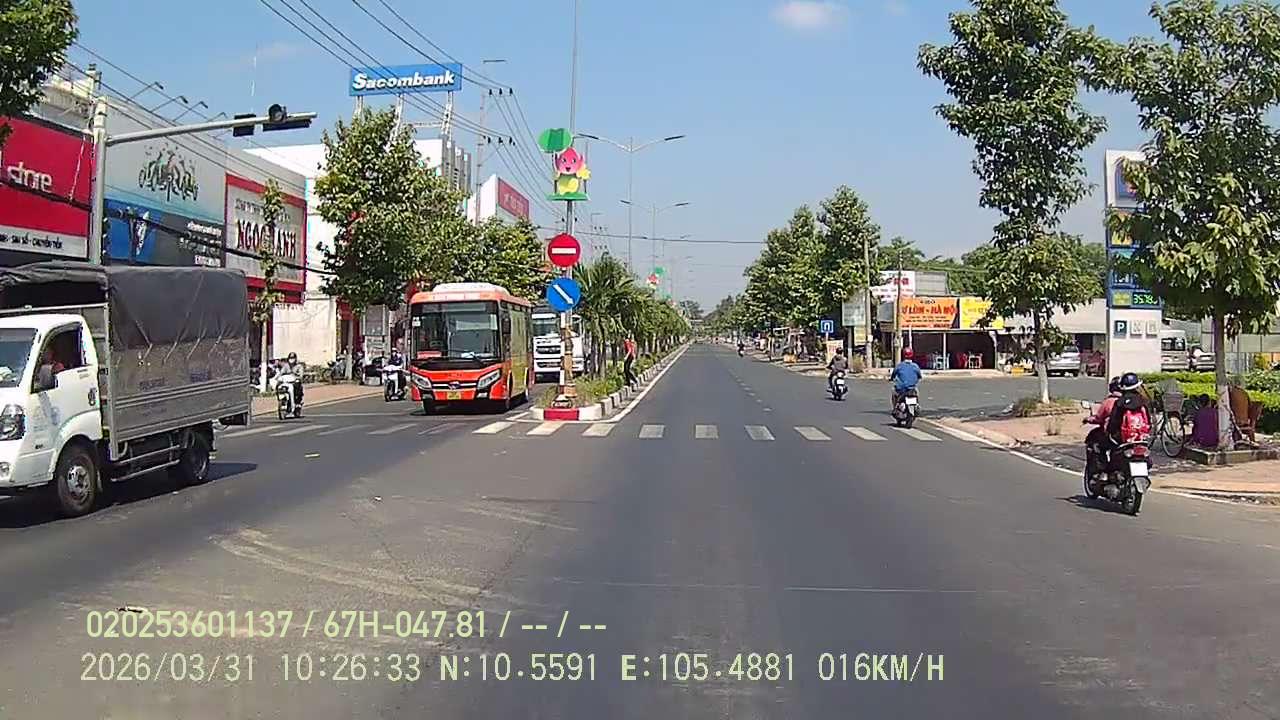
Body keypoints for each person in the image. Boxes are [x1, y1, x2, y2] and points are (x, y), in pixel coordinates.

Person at [1083, 376, 1123, 478]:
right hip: (1134, 438)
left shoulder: (1109, 401)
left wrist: (1088, 419)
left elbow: (1099, 418)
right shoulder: (1137, 401)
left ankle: (1101, 470)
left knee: (1095, 443)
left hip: (1114, 436)